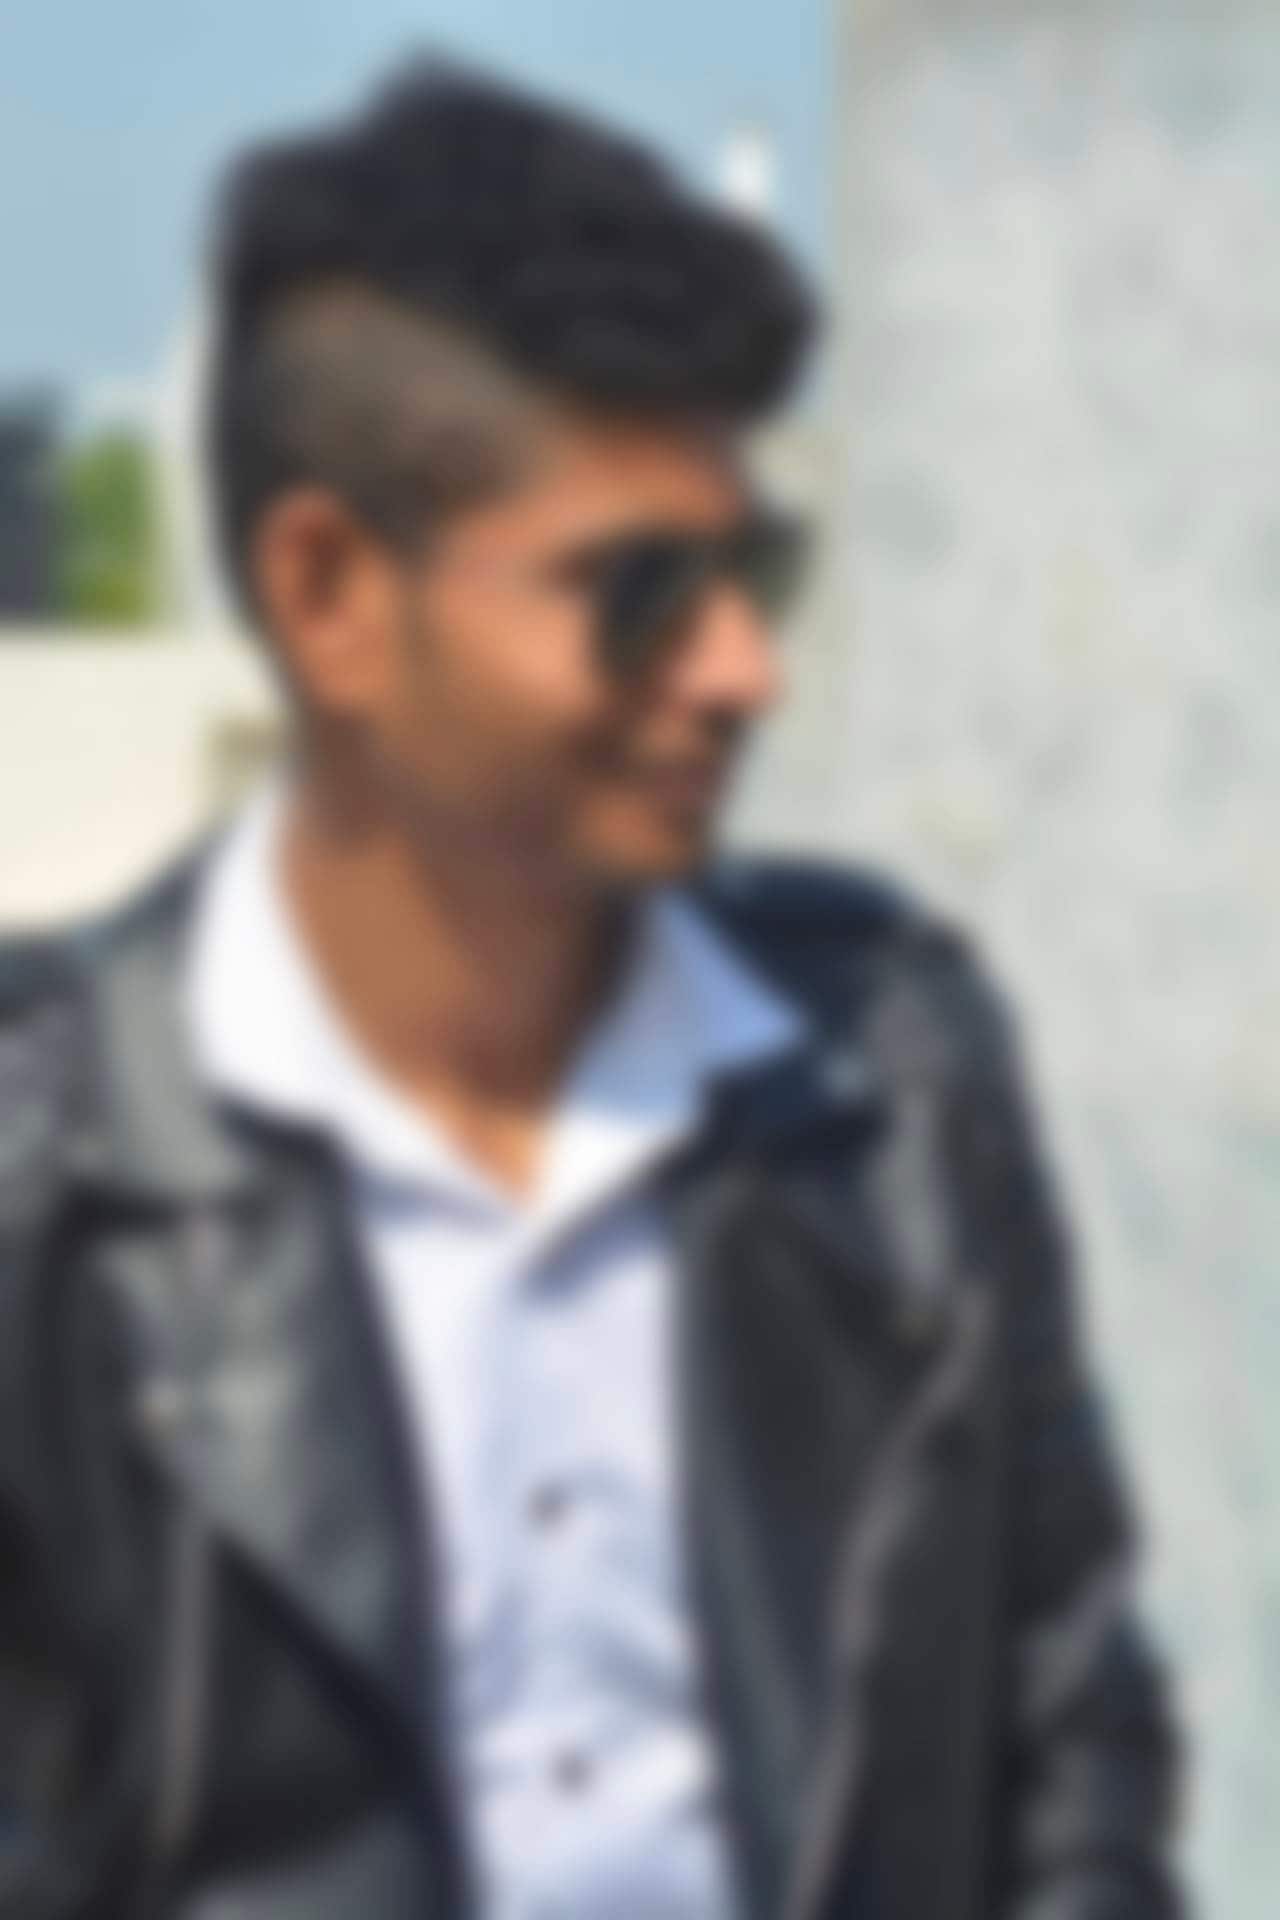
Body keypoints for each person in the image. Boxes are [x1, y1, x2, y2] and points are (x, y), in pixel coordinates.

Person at [0, 56, 1182, 1920]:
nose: (741, 669)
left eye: (757, 569)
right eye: (638, 592)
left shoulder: (891, 1076)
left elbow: (1069, 1734)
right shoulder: (48, 1167)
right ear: (329, 595)